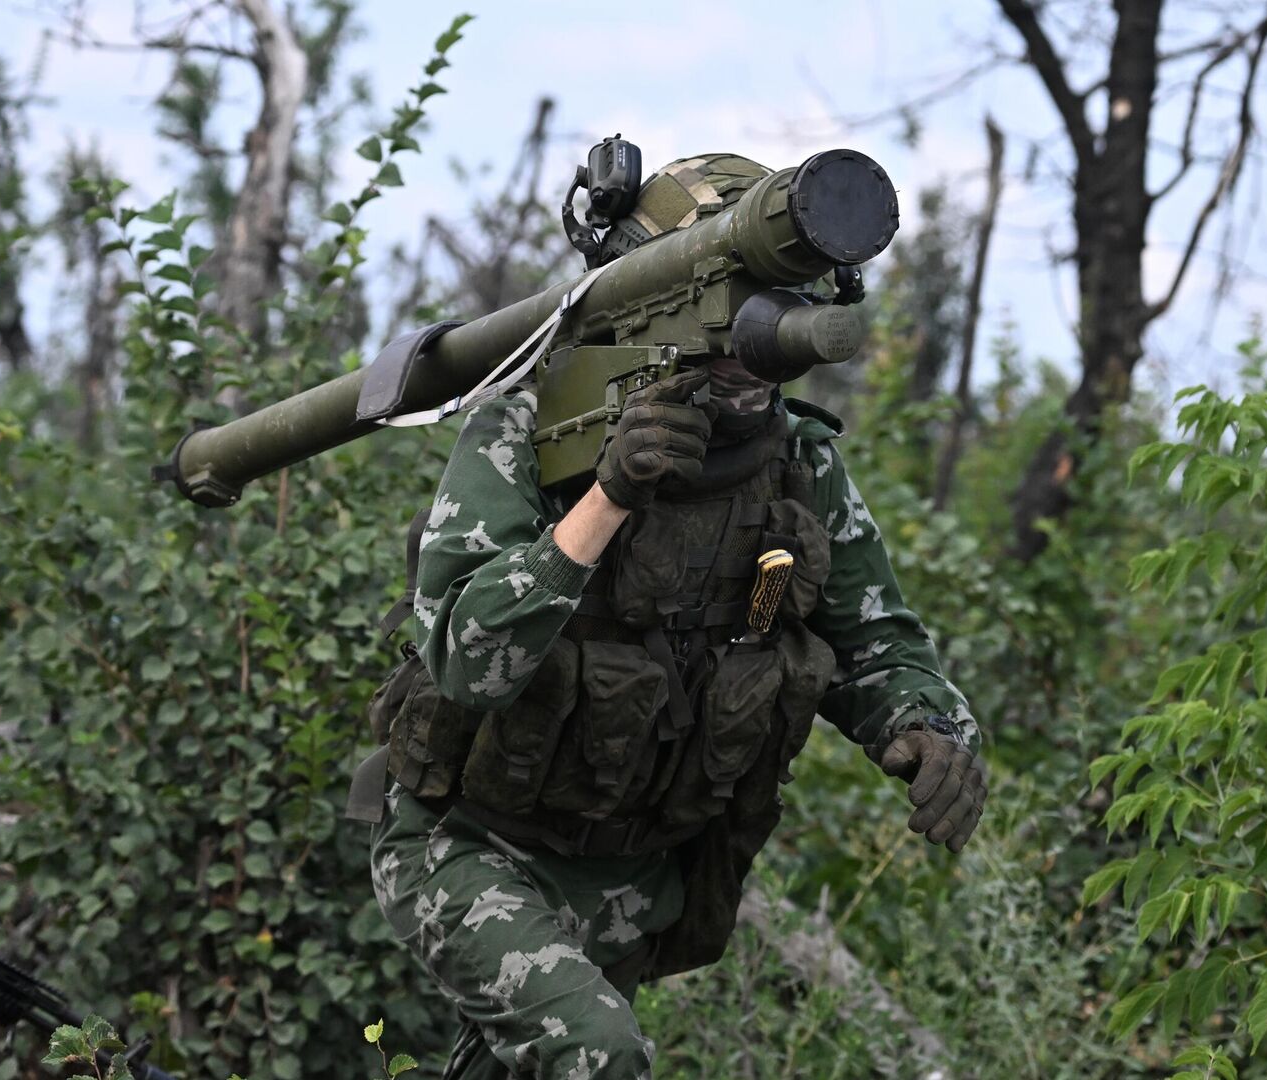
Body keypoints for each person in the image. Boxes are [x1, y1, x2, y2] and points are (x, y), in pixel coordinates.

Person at [363, 155, 991, 1079]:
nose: (752, 356)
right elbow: (469, 661)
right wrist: (607, 497)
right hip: (474, 847)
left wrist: (930, 730)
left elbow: (879, 644)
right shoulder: (527, 434)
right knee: (599, 1056)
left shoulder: (799, 465)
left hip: (636, 876)